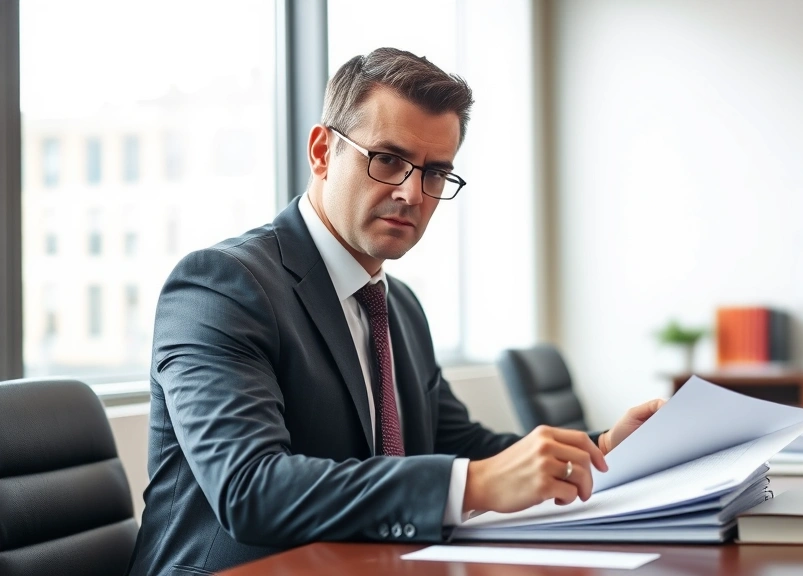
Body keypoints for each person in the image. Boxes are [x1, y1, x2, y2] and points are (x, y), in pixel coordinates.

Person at [126, 47, 665, 575]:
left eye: (435, 173)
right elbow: (250, 490)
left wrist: (601, 450)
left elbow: (465, 448)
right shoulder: (221, 286)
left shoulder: (398, 306)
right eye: (388, 159)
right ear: (321, 152)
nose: (412, 193)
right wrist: (473, 484)